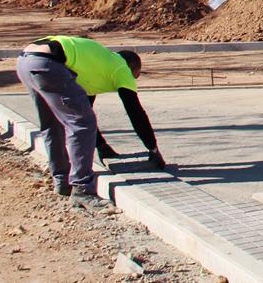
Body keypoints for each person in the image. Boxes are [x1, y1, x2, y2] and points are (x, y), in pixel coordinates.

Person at [15, 36, 164, 207]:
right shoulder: (122, 68)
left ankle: (62, 181)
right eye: (136, 76)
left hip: (25, 61)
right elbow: (135, 112)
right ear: (133, 68)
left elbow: (86, 108)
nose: (134, 80)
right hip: (47, 63)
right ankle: (82, 188)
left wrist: (102, 147)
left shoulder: (97, 65)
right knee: (81, 124)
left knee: (53, 124)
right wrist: (152, 147)